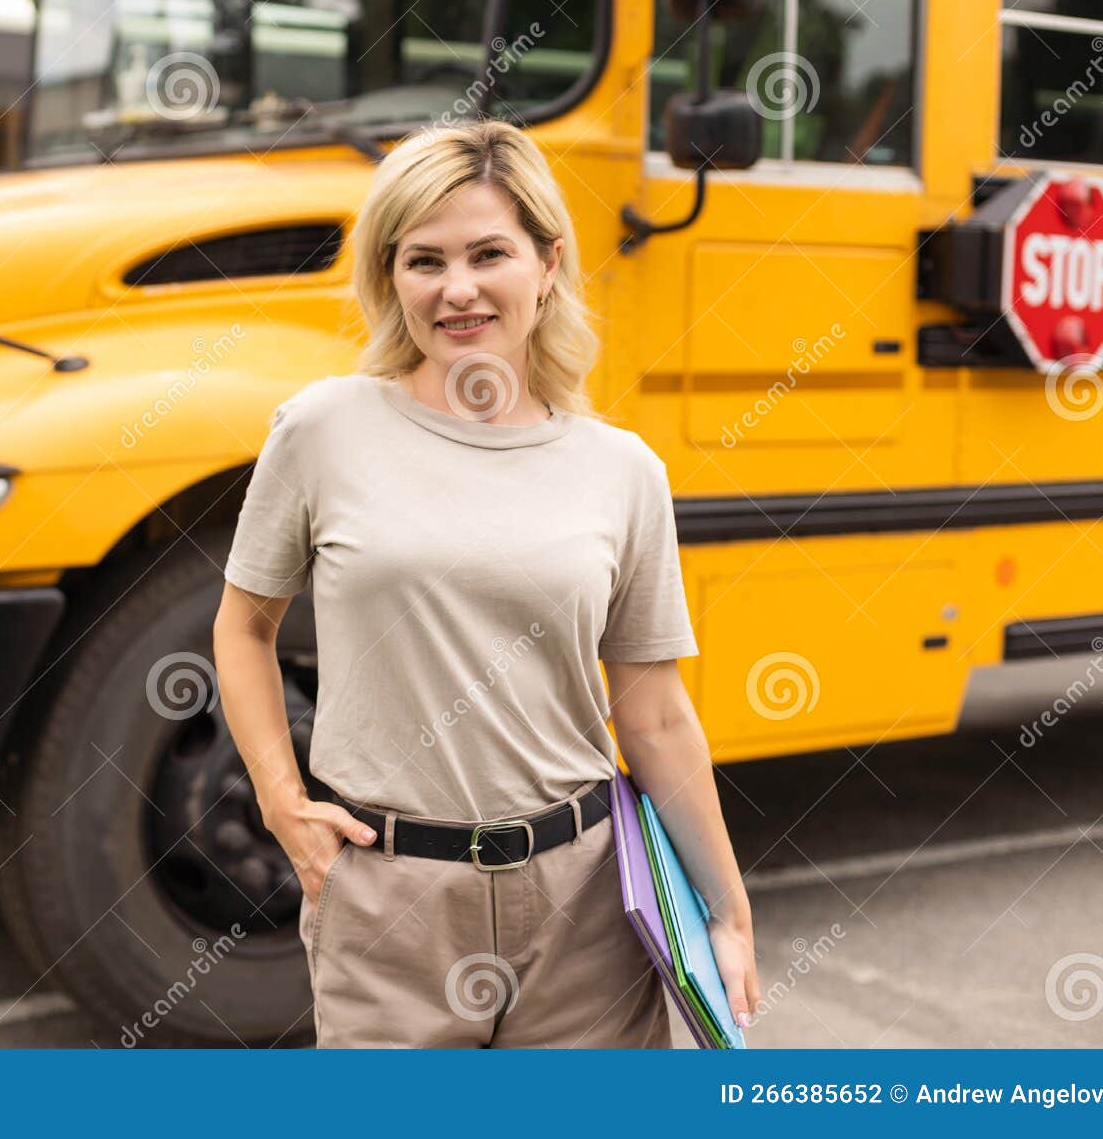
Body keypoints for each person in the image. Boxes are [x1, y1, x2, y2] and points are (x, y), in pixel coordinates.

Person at [212, 119, 759, 1048]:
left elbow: (656, 715)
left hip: (588, 903)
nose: (457, 288)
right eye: (423, 259)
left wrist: (728, 911)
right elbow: (244, 627)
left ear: (548, 264)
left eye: (488, 253)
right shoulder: (321, 429)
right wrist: (281, 801)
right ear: (391, 277)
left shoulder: (623, 469)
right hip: (388, 896)